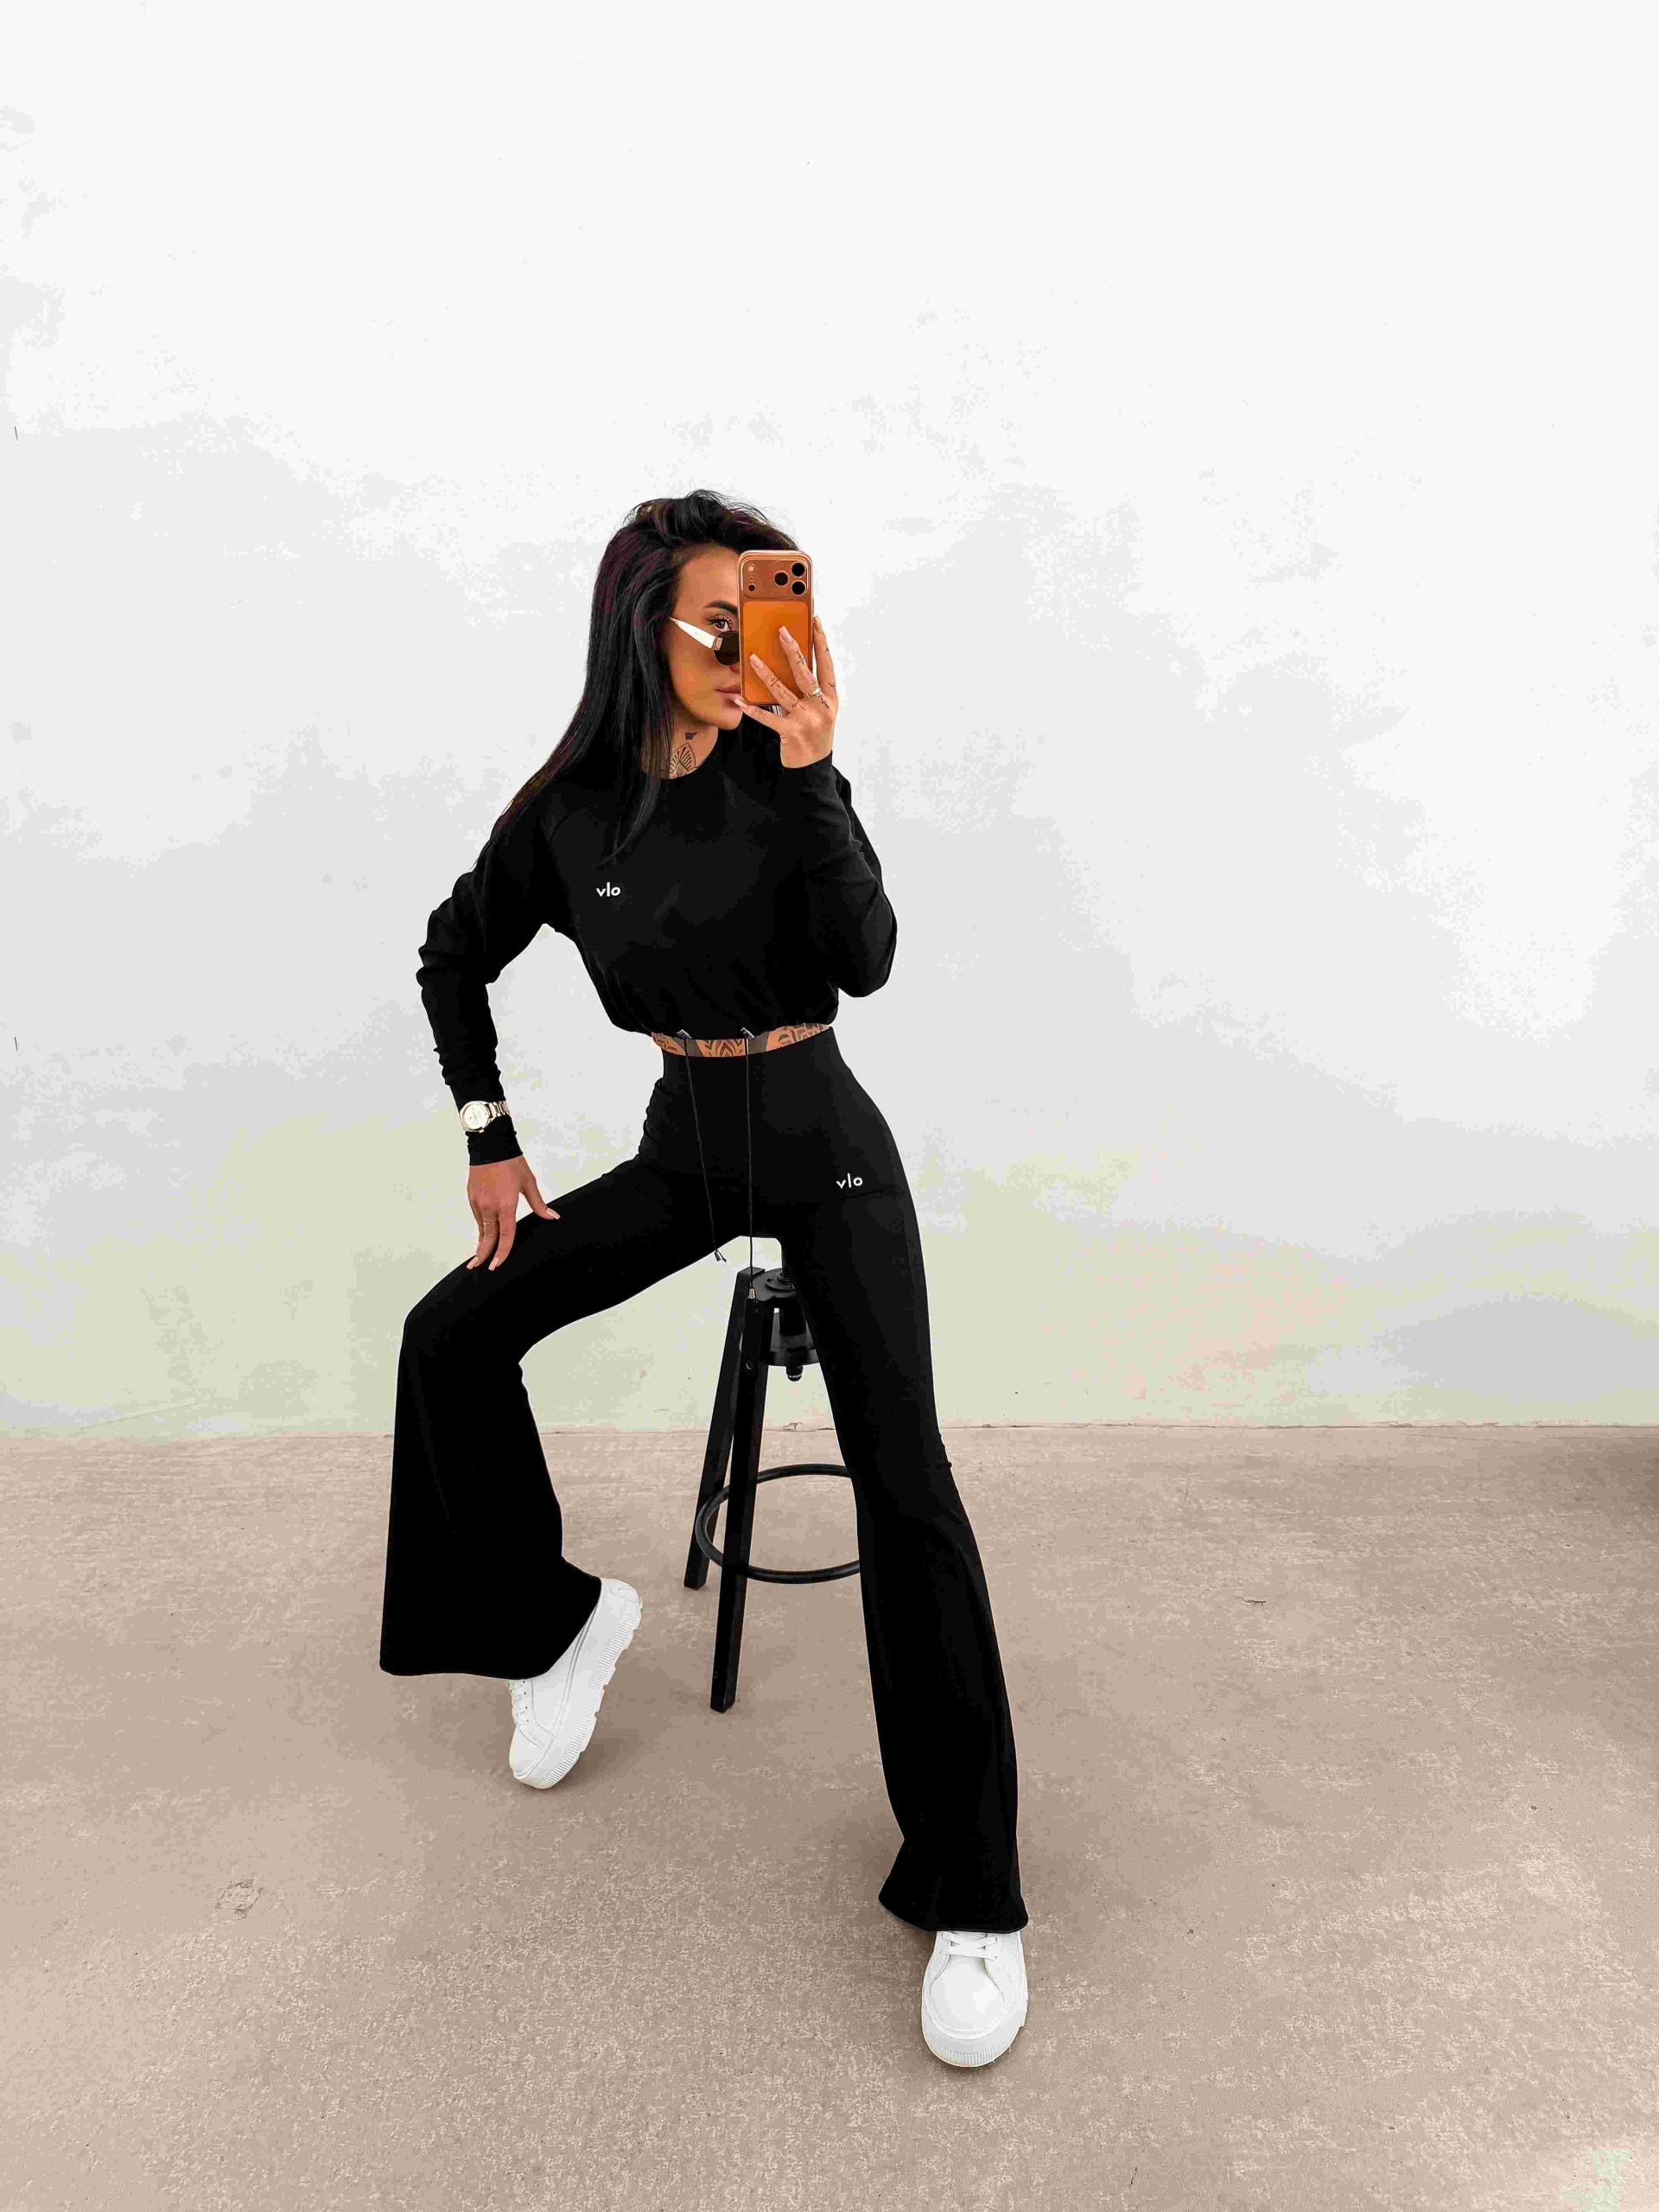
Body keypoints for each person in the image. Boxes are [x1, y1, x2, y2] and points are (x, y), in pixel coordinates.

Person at [378, 489, 1030, 2067]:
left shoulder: (784, 768)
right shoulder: (571, 814)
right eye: (721, 628)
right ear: (643, 634)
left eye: (770, 621)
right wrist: (488, 1137)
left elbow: (867, 958)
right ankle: (555, 1628)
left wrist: (814, 772)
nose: (753, 654)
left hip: (823, 1143)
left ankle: (975, 1897)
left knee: (909, 1487)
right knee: (451, 1333)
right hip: (687, 1148)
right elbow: (453, 952)